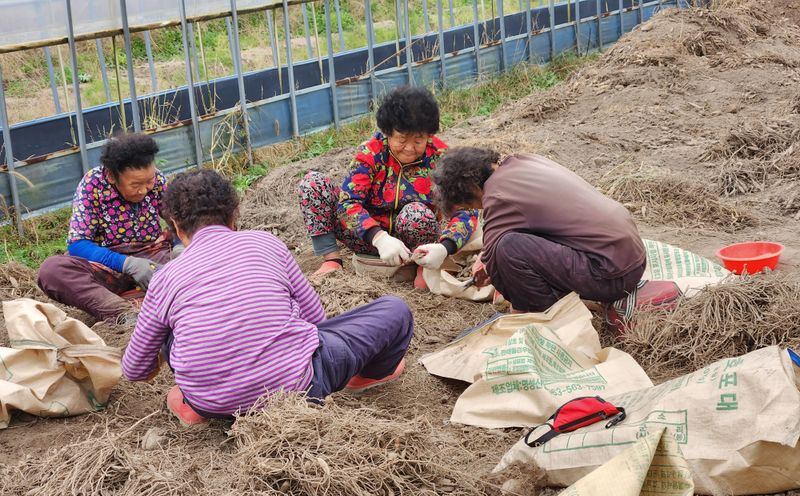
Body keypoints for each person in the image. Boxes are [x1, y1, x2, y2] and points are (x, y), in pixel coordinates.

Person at [121, 169, 413, 426]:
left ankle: (190, 404)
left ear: (175, 224)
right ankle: (366, 376)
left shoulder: (164, 278)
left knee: (169, 325)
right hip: (301, 387)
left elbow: (134, 368)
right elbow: (316, 320)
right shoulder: (264, 243)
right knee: (395, 310)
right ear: (234, 214)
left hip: (212, 405)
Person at [297, 85, 478, 285]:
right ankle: (332, 260)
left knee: (416, 213)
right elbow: (348, 204)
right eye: (401, 139)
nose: (409, 148)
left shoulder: (440, 158)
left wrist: (445, 247)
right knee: (312, 184)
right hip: (367, 237)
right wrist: (379, 238)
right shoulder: (371, 154)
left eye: (419, 141)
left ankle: (420, 268)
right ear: (388, 132)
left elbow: (467, 208)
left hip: (415, 240)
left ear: (429, 135)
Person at [431, 148, 648, 313]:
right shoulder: (521, 161)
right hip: (632, 258)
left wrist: (489, 265)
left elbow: (494, 256)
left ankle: (542, 316)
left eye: (472, 206)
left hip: (611, 275)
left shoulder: (497, 195)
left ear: (471, 189)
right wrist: (486, 258)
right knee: (507, 247)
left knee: (506, 251)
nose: (479, 209)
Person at [38, 133, 181, 322]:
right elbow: (78, 244)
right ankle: (124, 313)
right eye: (135, 184)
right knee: (52, 271)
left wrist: (180, 247)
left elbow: (178, 220)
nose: (144, 190)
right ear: (112, 176)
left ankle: (177, 296)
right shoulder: (93, 185)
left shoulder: (157, 181)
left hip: (154, 259)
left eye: (149, 181)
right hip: (109, 266)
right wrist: (127, 264)